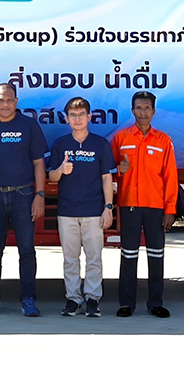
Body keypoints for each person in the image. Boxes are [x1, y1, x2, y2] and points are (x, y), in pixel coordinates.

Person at [0, 83, 48, 317]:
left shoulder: (29, 125)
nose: (5, 104)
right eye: (1, 100)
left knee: (27, 249)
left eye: (9, 100)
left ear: (16, 101)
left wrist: (40, 195)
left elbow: (39, 163)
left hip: (24, 195)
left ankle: (29, 299)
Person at [110, 90, 178, 318]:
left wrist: (170, 209)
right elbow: (108, 173)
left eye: (146, 108)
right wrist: (119, 170)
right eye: (138, 108)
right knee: (128, 255)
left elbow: (170, 177)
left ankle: (155, 303)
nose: (143, 113)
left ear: (153, 111)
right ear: (132, 111)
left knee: (156, 255)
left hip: (155, 207)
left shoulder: (163, 141)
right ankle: (126, 304)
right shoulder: (121, 138)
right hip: (129, 204)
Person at [48, 97, 117, 318]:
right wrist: (61, 170)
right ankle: (73, 299)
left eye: (81, 115)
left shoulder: (100, 144)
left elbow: (107, 178)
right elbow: (51, 177)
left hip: (94, 210)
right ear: (66, 119)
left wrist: (108, 207)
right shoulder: (60, 144)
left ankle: (92, 299)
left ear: (89, 117)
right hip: (67, 211)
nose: (77, 119)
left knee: (94, 257)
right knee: (70, 258)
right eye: (73, 115)